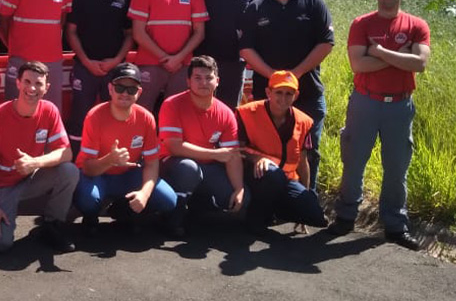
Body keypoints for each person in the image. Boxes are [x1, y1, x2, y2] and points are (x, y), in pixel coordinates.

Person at [328, 0, 430, 251]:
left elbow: (420, 64)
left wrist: (381, 52)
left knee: (397, 168)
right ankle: (346, 216)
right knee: (353, 161)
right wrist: (402, 56)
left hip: (399, 104)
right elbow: (358, 65)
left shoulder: (416, 25)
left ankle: (395, 226)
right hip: (365, 101)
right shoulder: (361, 23)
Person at [239, 0, 334, 191]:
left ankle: (306, 202)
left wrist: (296, 74)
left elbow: (326, 43)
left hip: (308, 92)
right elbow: (246, 48)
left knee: (308, 151)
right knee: (263, 152)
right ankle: (269, 203)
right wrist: (273, 76)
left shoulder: (314, 4)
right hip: (267, 94)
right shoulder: (256, 8)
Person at [0, 61, 79, 253]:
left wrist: (34, 162)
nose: (32, 88)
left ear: (47, 88)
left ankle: (51, 225)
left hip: (29, 178)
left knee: (69, 171)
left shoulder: (49, 110)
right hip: (1, 186)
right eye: (27, 82)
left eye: (38, 84)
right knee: (1, 244)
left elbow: (66, 153)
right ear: (18, 83)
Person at [73, 63, 178, 235]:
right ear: (110, 89)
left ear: (139, 92)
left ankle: (123, 209)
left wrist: (144, 194)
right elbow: (88, 168)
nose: (125, 93)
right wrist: (110, 160)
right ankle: (92, 216)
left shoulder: (146, 118)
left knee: (169, 201)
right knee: (87, 201)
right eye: (120, 87)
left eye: (131, 89)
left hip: (129, 173)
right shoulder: (95, 116)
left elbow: (152, 163)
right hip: (99, 174)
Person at [158, 56, 244, 235]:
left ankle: (199, 204)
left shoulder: (226, 113)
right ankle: (173, 215)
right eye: (197, 78)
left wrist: (239, 188)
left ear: (217, 81)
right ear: (188, 81)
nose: (203, 82)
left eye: (208, 77)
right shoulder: (172, 104)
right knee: (189, 169)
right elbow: (174, 147)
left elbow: (232, 155)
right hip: (172, 164)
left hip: (206, 166)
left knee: (243, 199)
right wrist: (214, 154)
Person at [236, 71, 327, 236]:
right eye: (278, 92)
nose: (283, 98)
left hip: (285, 180)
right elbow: (236, 150)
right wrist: (257, 158)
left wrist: (304, 193)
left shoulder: (304, 121)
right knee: (272, 175)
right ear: (268, 92)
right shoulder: (246, 112)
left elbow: (302, 162)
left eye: (288, 94)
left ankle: (276, 210)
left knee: (314, 215)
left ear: (296, 95)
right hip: (253, 174)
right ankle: (255, 217)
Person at [65, 0, 134, 156]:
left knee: (113, 115)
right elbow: (71, 31)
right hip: (84, 67)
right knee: (79, 116)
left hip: (115, 69)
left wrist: (116, 61)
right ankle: (76, 160)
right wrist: (86, 61)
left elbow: (131, 35)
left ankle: (109, 158)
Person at [128, 0, 208, 114]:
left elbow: (199, 32)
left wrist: (178, 58)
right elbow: (138, 33)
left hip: (182, 65)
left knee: (178, 114)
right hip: (150, 63)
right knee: (142, 112)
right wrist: (165, 58)